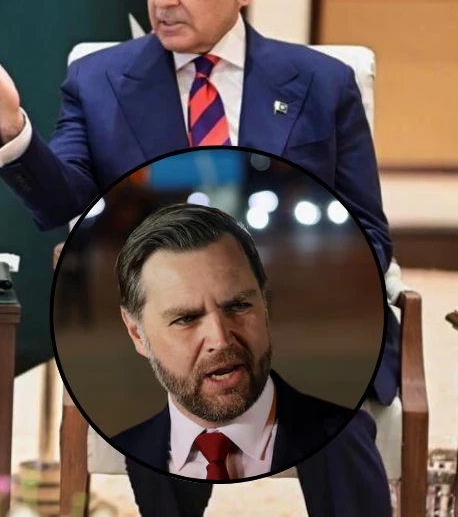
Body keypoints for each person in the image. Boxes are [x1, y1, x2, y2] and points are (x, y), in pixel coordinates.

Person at [0, 0, 396, 516]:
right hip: (167, 322)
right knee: (164, 420)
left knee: (336, 427)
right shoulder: (100, 81)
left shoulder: (320, 81)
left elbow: (368, 230)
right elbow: (61, 200)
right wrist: (11, 121)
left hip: (294, 315)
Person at [112, 203, 360, 482]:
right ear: (136, 333)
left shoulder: (351, 442)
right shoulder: (111, 462)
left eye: (239, 305)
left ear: (264, 303)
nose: (220, 339)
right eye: (186, 319)